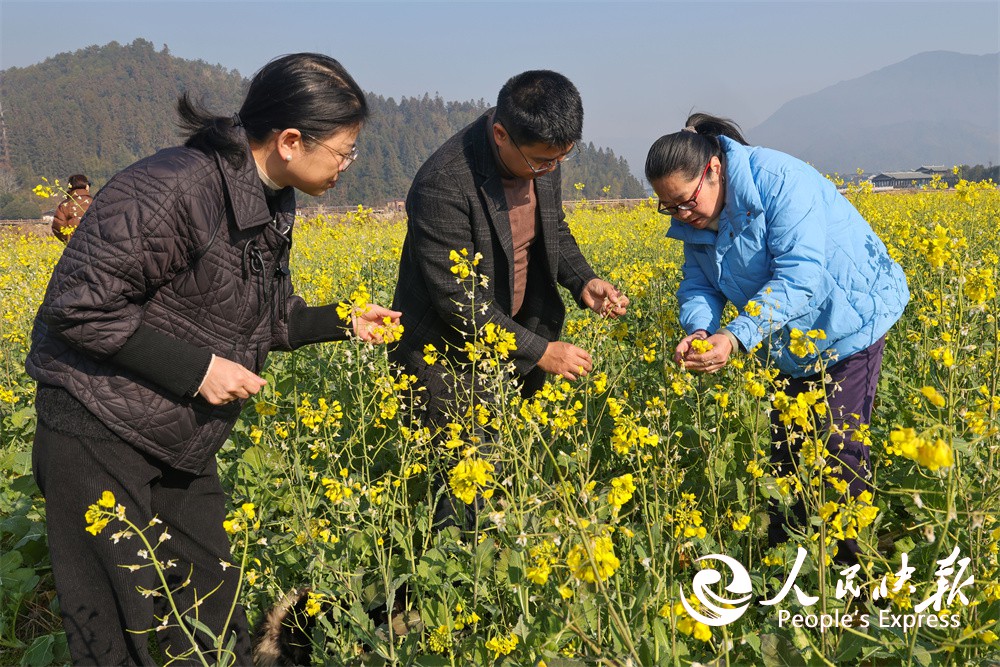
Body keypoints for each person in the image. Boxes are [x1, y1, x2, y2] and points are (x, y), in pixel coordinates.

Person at [26, 53, 400, 666]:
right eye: (343, 151)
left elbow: (259, 312)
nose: (346, 166)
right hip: (96, 426)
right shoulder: (175, 186)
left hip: (176, 431)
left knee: (209, 608)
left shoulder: (271, 197)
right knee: (119, 632)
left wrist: (341, 320)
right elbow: (78, 308)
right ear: (289, 141)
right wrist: (200, 370)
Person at [646, 113, 909, 565]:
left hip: (848, 322)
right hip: (787, 341)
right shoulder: (694, 215)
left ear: (713, 169)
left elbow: (801, 275)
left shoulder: (779, 179)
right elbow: (698, 284)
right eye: (667, 208)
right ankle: (785, 571)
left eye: (684, 203)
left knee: (837, 453)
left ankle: (858, 584)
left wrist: (737, 335)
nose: (680, 216)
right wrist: (702, 330)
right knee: (786, 457)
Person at [390, 70, 628, 523]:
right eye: (542, 161)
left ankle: (496, 566)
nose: (551, 169)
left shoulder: (541, 157)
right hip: (447, 350)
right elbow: (458, 301)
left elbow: (551, 228)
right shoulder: (442, 183)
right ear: (501, 134)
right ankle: (450, 580)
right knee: (464, 483)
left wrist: (583, 282)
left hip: (514, 330)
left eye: (562, 158)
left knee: (508, 462)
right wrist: (542, 352)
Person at [51, 173, 93, 243]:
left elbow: (58, 227)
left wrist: (69, 240)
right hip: (94, 245)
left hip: (74, 245)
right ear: (86, 186)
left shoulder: (65, 205)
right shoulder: (95, 202)